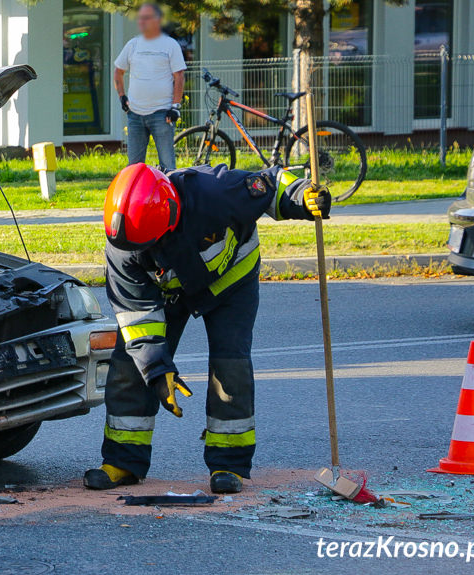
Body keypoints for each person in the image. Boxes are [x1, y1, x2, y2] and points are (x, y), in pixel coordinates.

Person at [84, 163, 331, 494]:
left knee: (230, 364)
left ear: (170, 216)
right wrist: (157, 370)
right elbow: (137, 316)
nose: (146, 253)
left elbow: (269, 184)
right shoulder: (123, 244)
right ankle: (122, 462)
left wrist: (301, 196)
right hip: (169, 291)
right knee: (131, 365)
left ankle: (229, 466)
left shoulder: (216, 192)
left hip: (231, 280)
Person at [114, 3, 185, 172]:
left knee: (168, 166)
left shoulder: (170, 45)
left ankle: (171, 198)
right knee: (134, 168)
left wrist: (175, 106)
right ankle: (136, 199)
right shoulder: (133, 44)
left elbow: (179, 76)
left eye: (146, 18)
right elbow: (118, 71)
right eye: (140, 18)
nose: (142, 21)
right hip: (135, 115)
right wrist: (122, 96)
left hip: (162, 114)